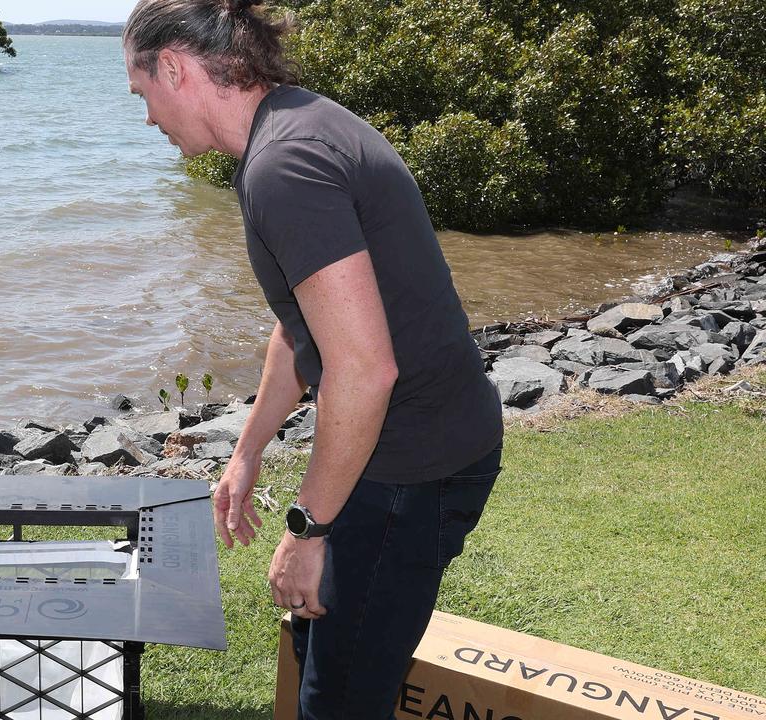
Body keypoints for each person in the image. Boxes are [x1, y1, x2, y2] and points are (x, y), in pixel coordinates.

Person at [123, 1, 504, 717]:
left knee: (340, 698)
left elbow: (364, 369)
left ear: (174, 67)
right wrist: (247, 451)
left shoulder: (283, 166)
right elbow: (302, 326)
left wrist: (309, 531)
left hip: (408, 471)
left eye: (142, 94)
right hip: (433, 447)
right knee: (328, 660)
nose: (148, 118)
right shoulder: (300, 123)